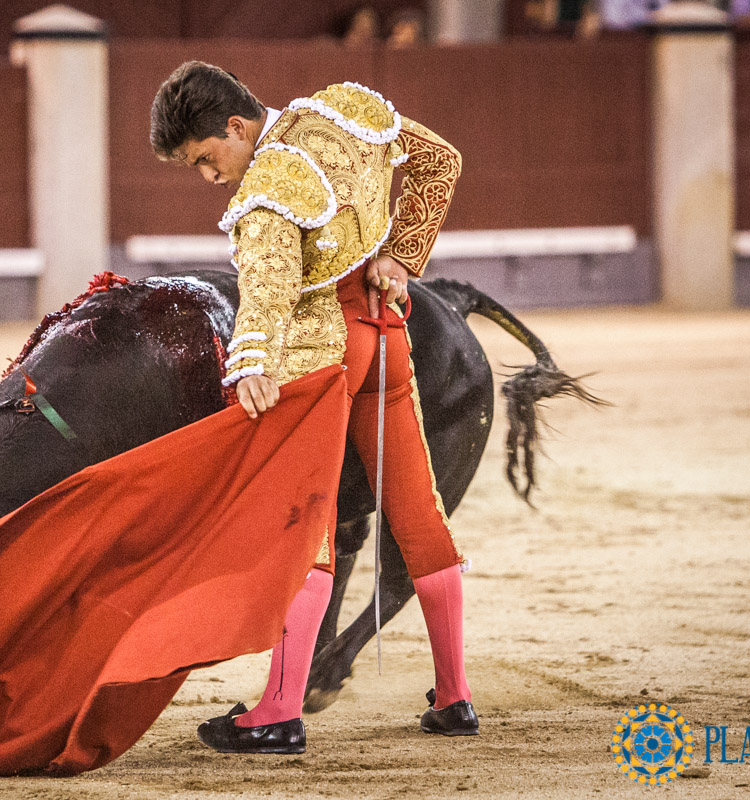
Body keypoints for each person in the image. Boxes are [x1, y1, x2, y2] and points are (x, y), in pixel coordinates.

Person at [150, 61, 478, 754]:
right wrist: (401, 253)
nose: (212, 178)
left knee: (309, 524)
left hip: (323, 353)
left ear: (235, 126)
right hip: (389, 334)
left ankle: (278, 710)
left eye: (208, 159)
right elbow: (439, 161)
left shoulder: (271, 181)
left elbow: (266, 288)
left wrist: (251, 364)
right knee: (420, 515)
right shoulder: (343, 111)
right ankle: (454, 698)